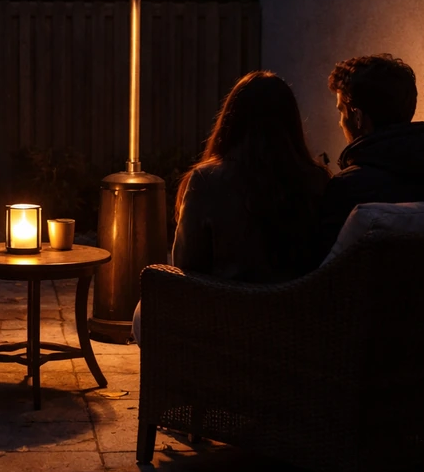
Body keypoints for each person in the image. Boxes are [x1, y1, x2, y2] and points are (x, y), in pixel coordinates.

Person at [132, 71, 330, 343]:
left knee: (145, 309)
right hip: (294, 326)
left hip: (226, 322)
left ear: (231, 119)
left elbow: (186, 266)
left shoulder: (207, 180)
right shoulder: (317, 179)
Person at [316, 53, 424, 258]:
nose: (340, 122)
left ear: (357, 117)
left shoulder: (349, 189)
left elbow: (325, 269)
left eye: (342, 111)